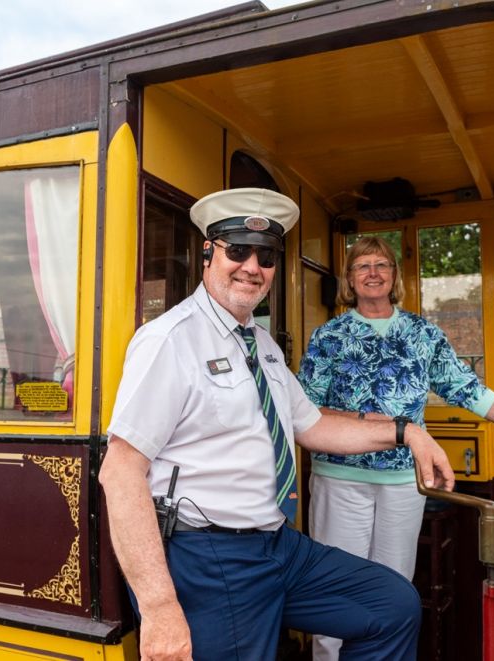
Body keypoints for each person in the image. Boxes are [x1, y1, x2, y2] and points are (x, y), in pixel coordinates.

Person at [99, 188, 455, 661]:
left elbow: (312, 426)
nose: (251, 266)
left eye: (265, 255)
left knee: (390, 604)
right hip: (208, 553)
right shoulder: (170, 340)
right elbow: (119, 471)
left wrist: (406, 431)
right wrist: (160, 606)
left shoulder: (261, 345)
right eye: (238, 250)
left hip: (276, 546)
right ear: (208, 253)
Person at [298, 235, 494, 660]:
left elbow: (468, 390)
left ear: (395, 276)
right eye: (362, 266)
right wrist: (373, 422)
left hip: (405, 483)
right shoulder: (329, 335)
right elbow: (304, 407)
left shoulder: (422, 333)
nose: (373, 273)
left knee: (395, 588)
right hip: (340, 479)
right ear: (349, 279)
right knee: (335, 591)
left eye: (381, 265)